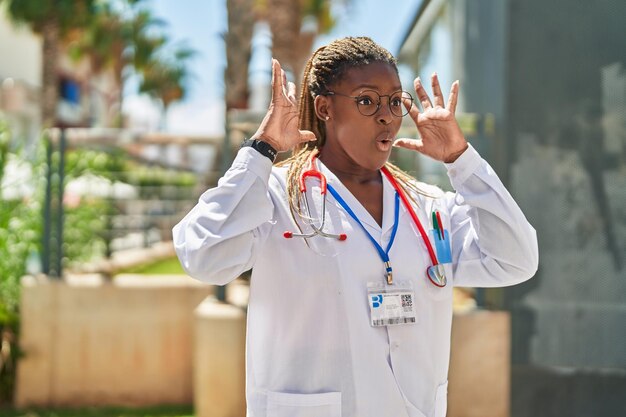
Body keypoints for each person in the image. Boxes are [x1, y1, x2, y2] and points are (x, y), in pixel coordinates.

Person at [173, 37, 538, 417]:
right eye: (367, 100)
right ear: (325, 107)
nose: (386, 116)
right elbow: (203, 256)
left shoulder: (428, 206)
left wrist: (462, 162)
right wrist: (262, 149)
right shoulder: (277, 195)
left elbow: (515, 260)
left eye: (395, 102)